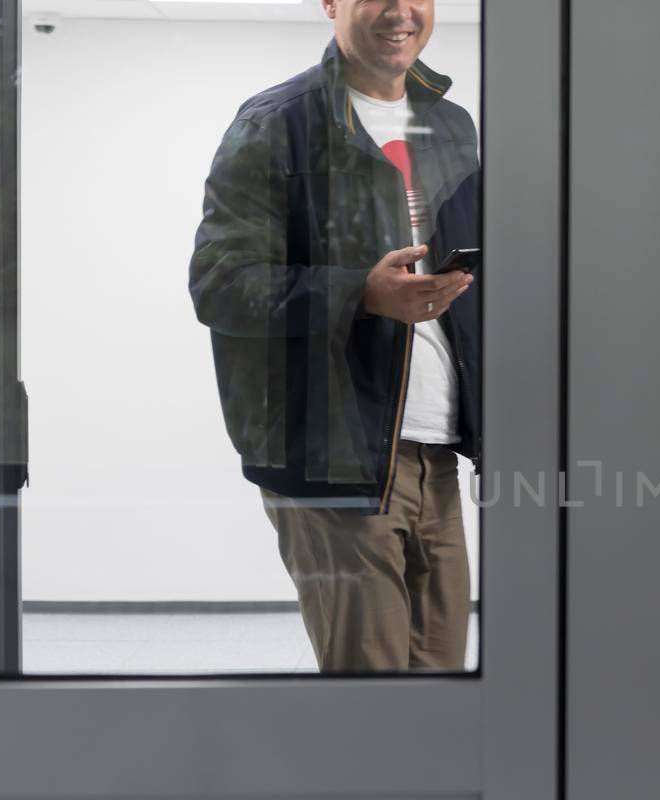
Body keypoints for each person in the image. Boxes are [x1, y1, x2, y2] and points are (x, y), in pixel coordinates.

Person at [188, 0, 480, 673]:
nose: (400, 11)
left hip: (435, 450)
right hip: (332, 453)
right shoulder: (276, 124)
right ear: (330, 4)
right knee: (374, 695)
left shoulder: (450, 125)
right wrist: (362, 292)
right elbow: (221, 282)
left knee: (444, 688)